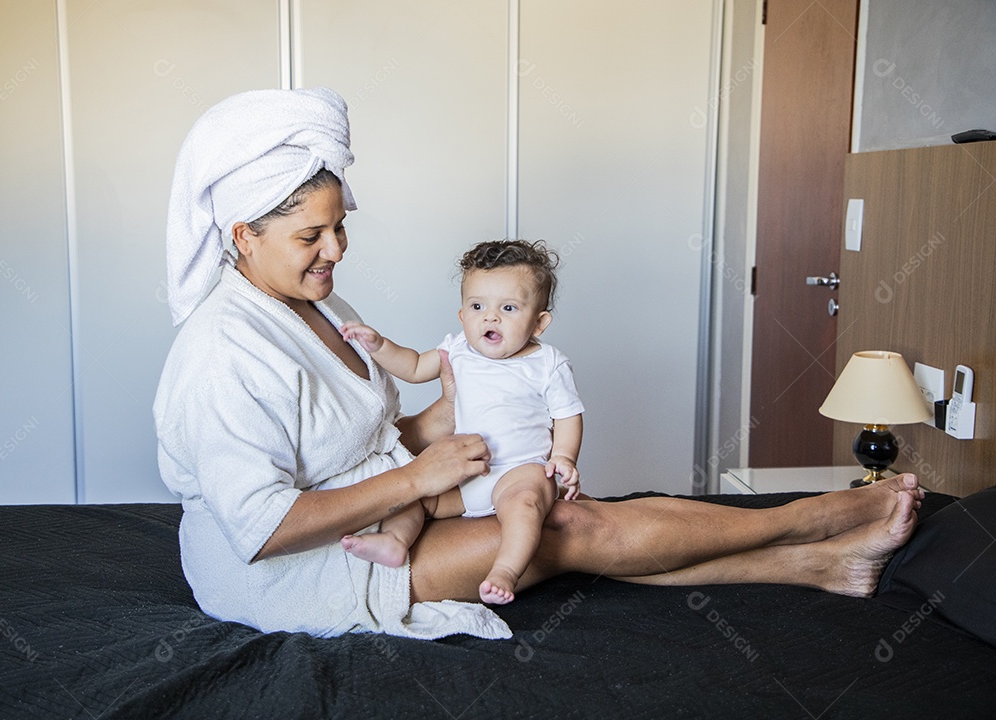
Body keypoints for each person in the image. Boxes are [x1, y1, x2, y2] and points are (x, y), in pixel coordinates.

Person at [153, 87, 923, 641]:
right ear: (243, 233)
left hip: (380, 511)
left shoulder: (325, 307)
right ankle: (814, 518)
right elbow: (262, 527)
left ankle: (813, 568)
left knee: (560, 529)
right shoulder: (222, 351)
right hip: (299, 571)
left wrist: (440, 423)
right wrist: (419, 477)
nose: (336, 251)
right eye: (311, 237)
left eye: (340, 226)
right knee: (565, 530)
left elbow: (369, 435)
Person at [339, 239, 584, 605]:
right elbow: (414, 366)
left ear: (539, 322)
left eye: (509, 308)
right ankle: (394, 541)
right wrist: (379, 345)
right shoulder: (457, 349)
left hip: (521, 471)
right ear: (462, 316)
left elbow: (568, 414)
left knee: (525, 506)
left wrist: (563, 457)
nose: (491, 317)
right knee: (415, 497)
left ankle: (505, 570)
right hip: (468, 471)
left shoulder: (547, 363)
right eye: (477, 306)